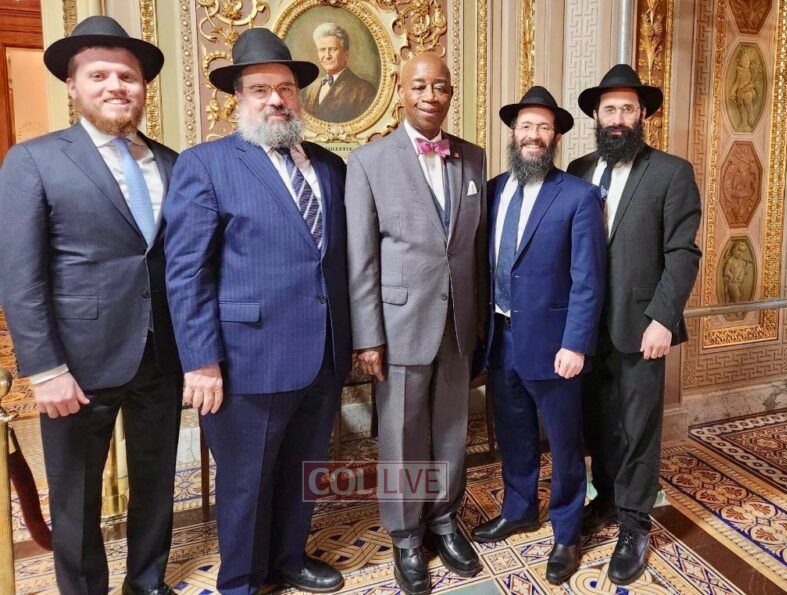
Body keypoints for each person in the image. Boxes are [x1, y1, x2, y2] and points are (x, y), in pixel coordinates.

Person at [164, 28, 351, 595]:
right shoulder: (206, 164)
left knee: (303, 470)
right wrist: (200, 362)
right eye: (260, 89)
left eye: (286, 88)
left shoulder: (330, 166)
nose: (276, 100)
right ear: (237, 99)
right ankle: (242, 581)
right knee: (246, 483)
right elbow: (187, 272)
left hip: (322, 353)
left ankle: (289, 558)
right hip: (246, 360)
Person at [0, 16, 181, 595]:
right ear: (72, 86)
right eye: (99, 75)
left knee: (156, 482)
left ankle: (147, 582)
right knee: (76, 496)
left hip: (162, 355)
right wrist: (44, 369)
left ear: (143, 88)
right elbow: (20, 277)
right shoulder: (34, 160)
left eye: (127, 76)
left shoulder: (173, 162)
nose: (115, 86)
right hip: (76, 365)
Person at [345, 51, 487, 595]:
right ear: (400, 92)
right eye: (420, 86)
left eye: (441, 87)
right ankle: (406, 536)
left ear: (451, 94)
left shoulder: (472, 158)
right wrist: (368, 337)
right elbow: (361, 259)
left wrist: (477, 319)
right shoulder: (368, 162)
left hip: (458, 323)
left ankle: (445, 520)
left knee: (452, 427)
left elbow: (473, 249)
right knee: (402, 435)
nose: (431, 96)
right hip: (399, 323)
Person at [568, 64, 702, 585]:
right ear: (597, 117)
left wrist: (663, 319)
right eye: (610, 109)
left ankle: (634, 524)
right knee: (598, 423)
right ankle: (605, 500)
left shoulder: (671, 172)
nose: (619, 118)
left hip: (643, 326)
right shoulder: (578, 169)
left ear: (642, 114)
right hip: (586, 328)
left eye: (628, 108)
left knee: (638, 428)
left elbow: (683, 253)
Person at [471, 86, 606, 584]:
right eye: (525, 126)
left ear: (556, 138)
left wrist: (576, 344)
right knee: (514, 433)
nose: (533, 135)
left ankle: (567, 532)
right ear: (513, 134)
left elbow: (589, 279)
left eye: (543, 127)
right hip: (501, 337)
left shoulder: (578, 196)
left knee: (566, 443)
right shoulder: (491, 190)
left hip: (555, 346)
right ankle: (519, 508)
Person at [303, 22, 377, 122]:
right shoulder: (311, 87)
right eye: (322, 50)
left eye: (333, 49)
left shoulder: (364, 90)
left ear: (346, 55)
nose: (327, 56)